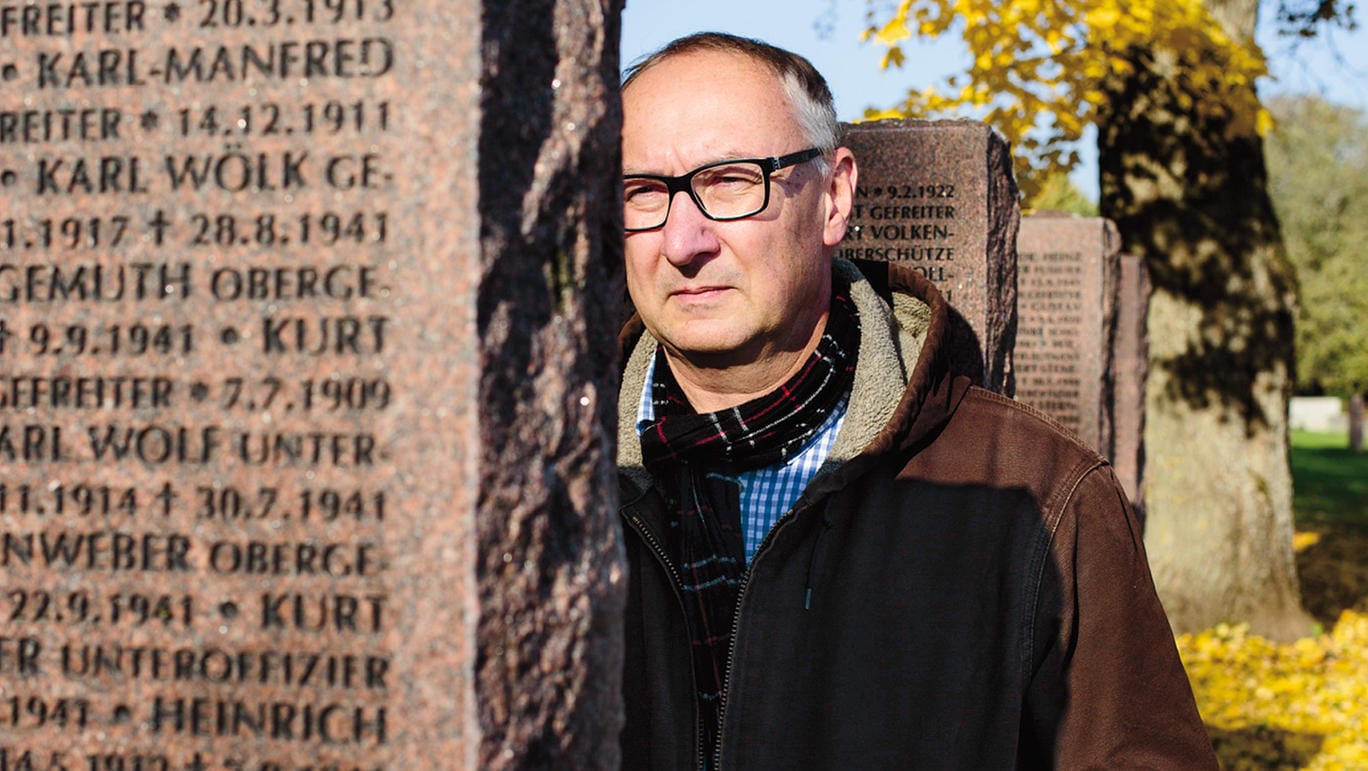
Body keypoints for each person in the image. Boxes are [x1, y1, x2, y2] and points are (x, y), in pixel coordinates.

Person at [615, 32, 1217, 770]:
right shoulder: (534, 484)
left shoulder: (1043, 494)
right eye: (642, 191)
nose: (682, 239)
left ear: (833, 197)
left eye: (732, 181)